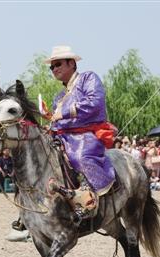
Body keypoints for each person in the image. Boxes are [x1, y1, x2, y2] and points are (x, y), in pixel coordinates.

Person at [46, 45, 115, 221]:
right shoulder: (58, 96)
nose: (54, 69)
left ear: (72, 64)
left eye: (58, 64)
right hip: (63, 137)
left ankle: (86, 201)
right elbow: (58, 121)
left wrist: (66, 112)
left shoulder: (88, 78)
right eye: (52, 66)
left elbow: (95, 102)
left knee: (79, 157)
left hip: (87, 135)